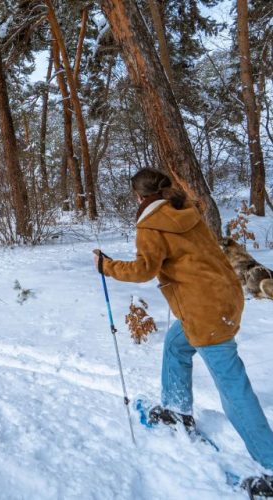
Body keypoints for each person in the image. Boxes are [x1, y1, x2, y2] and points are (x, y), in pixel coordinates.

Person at [93, 168, 273, 495]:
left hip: (204, 312)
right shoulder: (184, 211)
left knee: (233, 388)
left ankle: (271, 467)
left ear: (140, 196)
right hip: (222, 299)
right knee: (176, 347)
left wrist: (106, 266)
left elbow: (144, 269)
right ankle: (177, 410)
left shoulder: (151, 224)